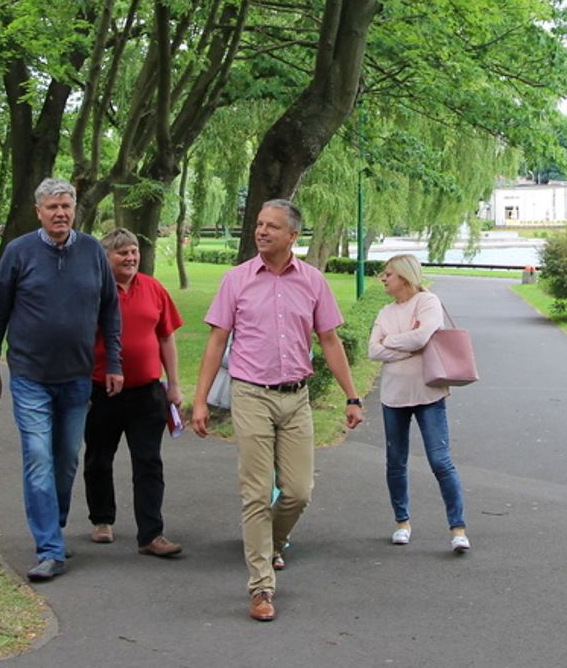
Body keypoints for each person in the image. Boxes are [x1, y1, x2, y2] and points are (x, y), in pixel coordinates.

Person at [190, 199, 364, 622]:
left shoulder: (313, 282)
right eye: (259, 224)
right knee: (254, 493)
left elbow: (329, 341)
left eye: (272, 226)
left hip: (296, 397)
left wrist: (352, 396)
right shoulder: (236, 280)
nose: (261, 231)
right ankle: (261, 586)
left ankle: (268, 542)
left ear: (292, 236)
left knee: (299, 490)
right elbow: (216, 343)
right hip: (251, 394)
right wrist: (200, 400)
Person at [0, 178, 123, 582]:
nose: (60, 213)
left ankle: (53, 522)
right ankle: (49, 547)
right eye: (52, 207)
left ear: (75, 209)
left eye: (66, 206)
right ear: (38, 211)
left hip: (77, 378)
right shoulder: (19, 252)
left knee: (65, 460)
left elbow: (110, 311)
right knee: (39, 458)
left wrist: (113, 362)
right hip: (30, 376)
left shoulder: (93, 251)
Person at [84, 228, 184, 558]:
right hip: (102, 392)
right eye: (121, 252)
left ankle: (151, 535)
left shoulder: (153, 288)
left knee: (148, 461)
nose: (130, 257)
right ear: (105, 257)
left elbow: (166, 337)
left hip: (146, 394)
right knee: (99, 457)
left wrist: (174, 384)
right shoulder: (93, 290)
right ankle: (102, 520)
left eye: (134, 251)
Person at [368, 254, 469, 554]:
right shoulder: (385, 311)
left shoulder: (428, 302)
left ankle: (458, 528)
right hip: (393, 396)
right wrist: (409, 345)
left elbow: (424, 336)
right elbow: (373, 350)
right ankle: (402, 523)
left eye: (388, 274)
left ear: (404, 275)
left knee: (440, 460)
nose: (383, 279)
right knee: (395, 462)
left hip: (428, 393)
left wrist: (393, 342)